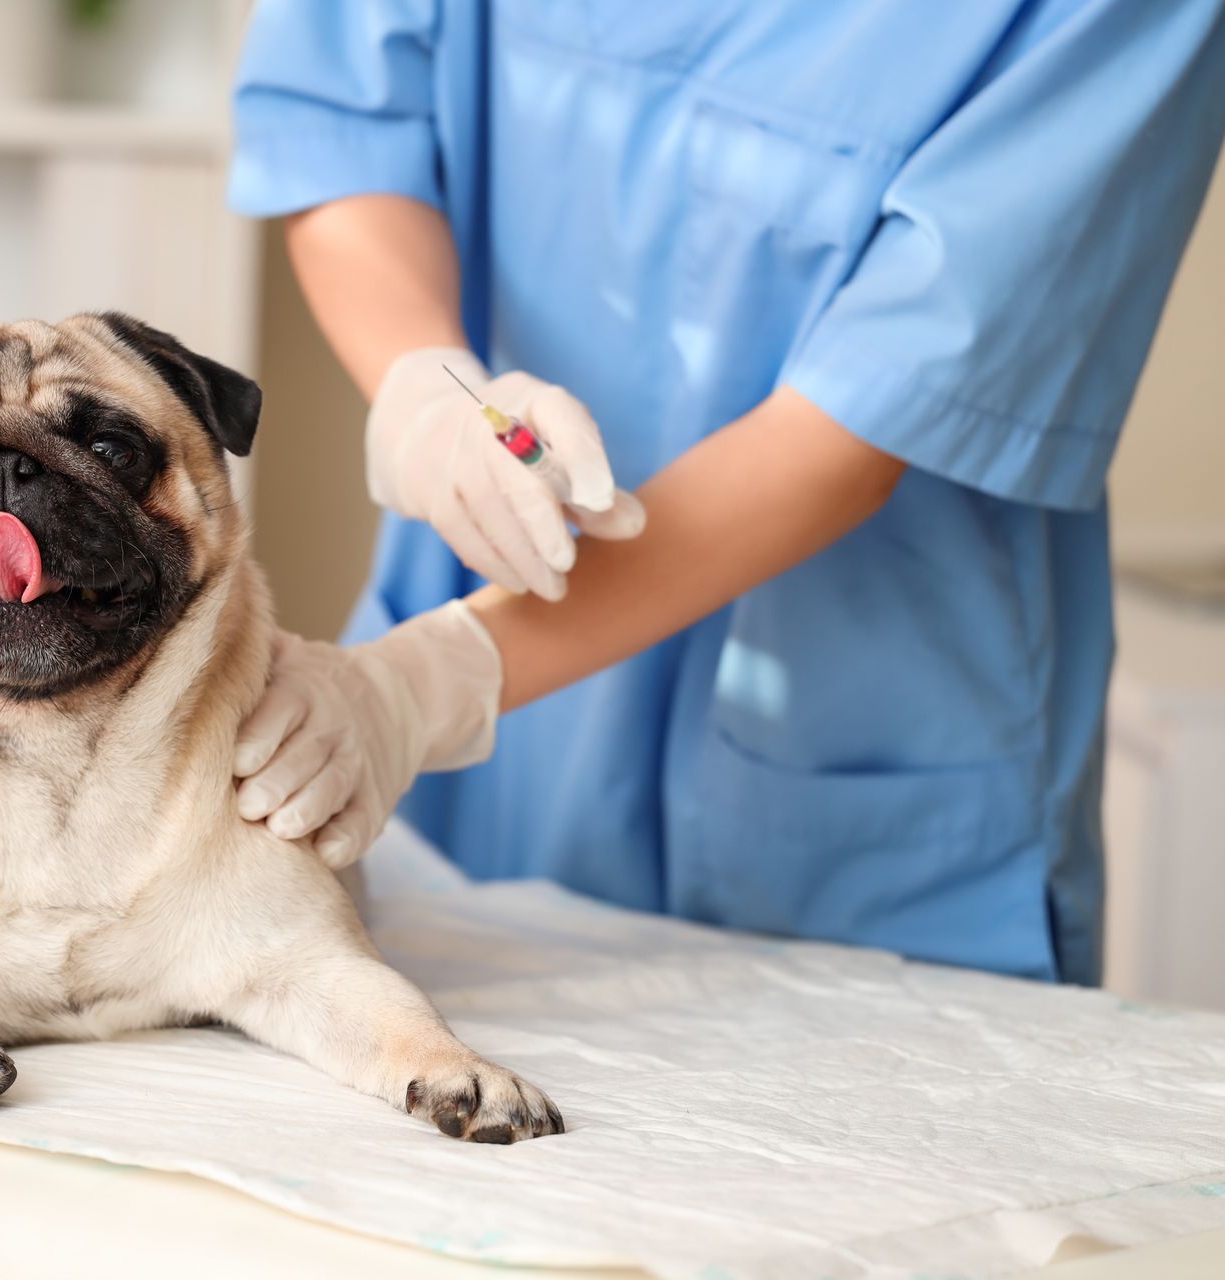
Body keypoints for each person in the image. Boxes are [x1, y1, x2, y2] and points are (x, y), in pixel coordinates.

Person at [223, 0, 1225, 984]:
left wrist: (421, 687)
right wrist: (429, 381)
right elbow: (345, 124)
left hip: (865, 754)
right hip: (495, 722)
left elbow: (870, 413)